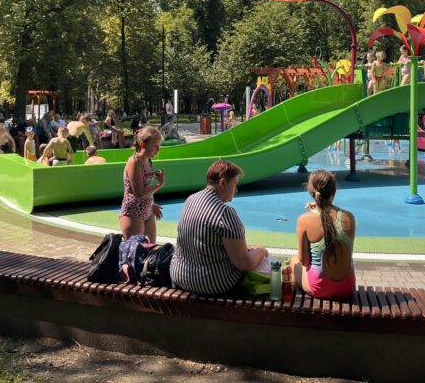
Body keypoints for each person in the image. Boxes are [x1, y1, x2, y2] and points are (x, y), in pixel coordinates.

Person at [171, 160, 268, 296]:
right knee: (265, 267)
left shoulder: (191, 199)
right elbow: (244, 263)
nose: (236, 190)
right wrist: (261, 252)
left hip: (181, 277)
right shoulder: (225, 213)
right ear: (223, 183)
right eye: (234, 185)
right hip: (212, 284)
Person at [290, 170, 356, 300]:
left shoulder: (304, 220)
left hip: (320, 289)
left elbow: (304, 261)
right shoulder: (349, 217)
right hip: (347, 287)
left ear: (312, 193)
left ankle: (294, 299)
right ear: (334, 192)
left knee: (293, 261)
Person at [119, 126, 164, 243]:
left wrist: (151, 204)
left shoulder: (148, 161)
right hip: (133, 212)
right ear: (143, 144)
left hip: (147, 211)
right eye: (155, 146)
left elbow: (145, 188)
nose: (158, 149)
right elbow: (139, 193)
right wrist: (159, 184)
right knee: (135, 253)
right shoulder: (134, 161)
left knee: (150, 251)